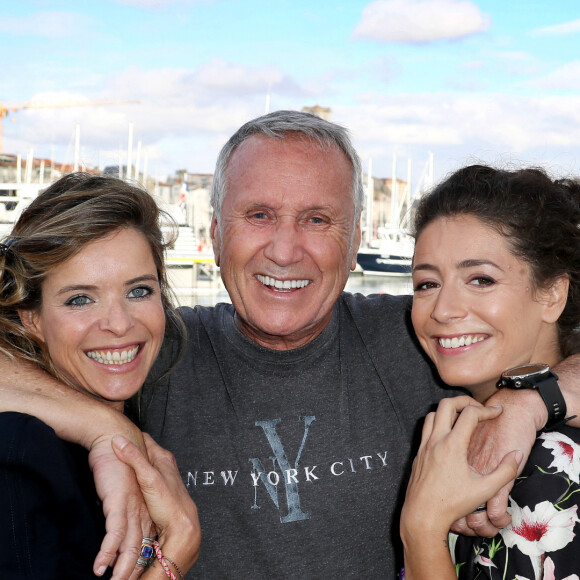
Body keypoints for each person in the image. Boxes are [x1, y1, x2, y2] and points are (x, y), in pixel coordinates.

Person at [0, 112, 578, 578]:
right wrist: (108, 428)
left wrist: (532, 402)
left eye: (317, 219)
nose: (284, 249)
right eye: (259, 215)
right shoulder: (150, 349)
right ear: (215, 234)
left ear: (353, 244)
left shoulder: (426, 337)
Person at [0, 173, 201, 579]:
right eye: (80, 299)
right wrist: (178, 545)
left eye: (139, 291)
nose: (118, 323)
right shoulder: (17, 461)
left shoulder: (139, 423)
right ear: (32, 318)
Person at [400, 165, 580, 579]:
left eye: (480, 279)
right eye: (426, 284)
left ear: (552, 294)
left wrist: (422, 528)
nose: (443, 310)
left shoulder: (544, 469)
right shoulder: (482, 442)